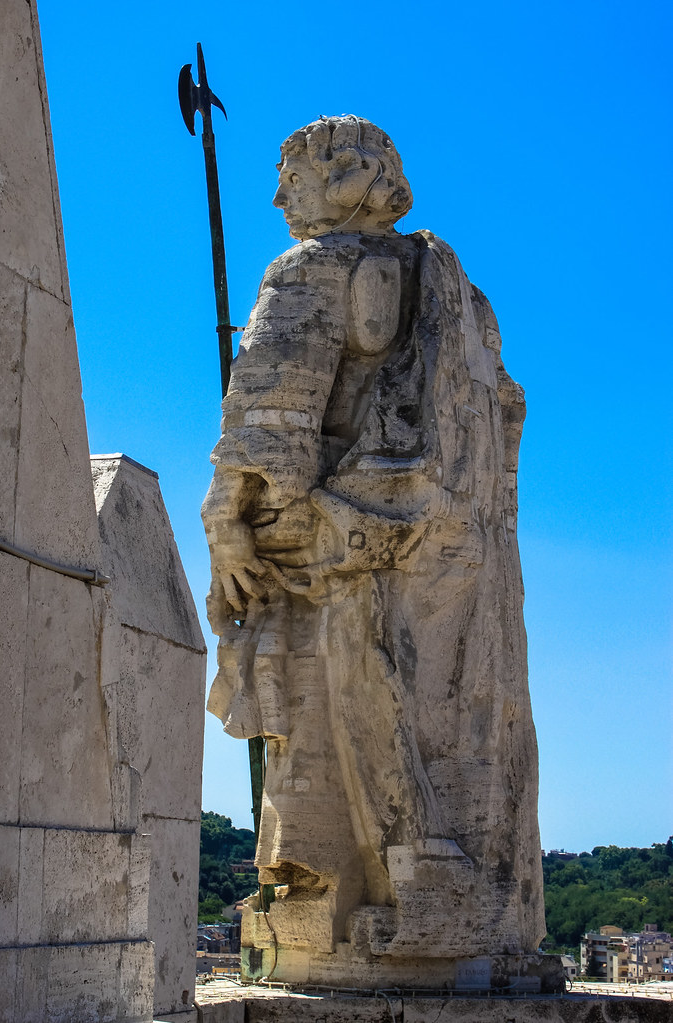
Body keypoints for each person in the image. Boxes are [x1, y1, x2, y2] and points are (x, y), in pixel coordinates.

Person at [202, 116, 544, 970]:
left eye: (296, 176)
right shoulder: (464, 296)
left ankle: (380, 900)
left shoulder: (310, 270)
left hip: (337, 547)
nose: (280, 196)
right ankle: (471, 915)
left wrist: (224, 526)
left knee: (327, 716)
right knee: (453, 726)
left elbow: (267, 426)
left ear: (351, 177)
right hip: (450, 562)